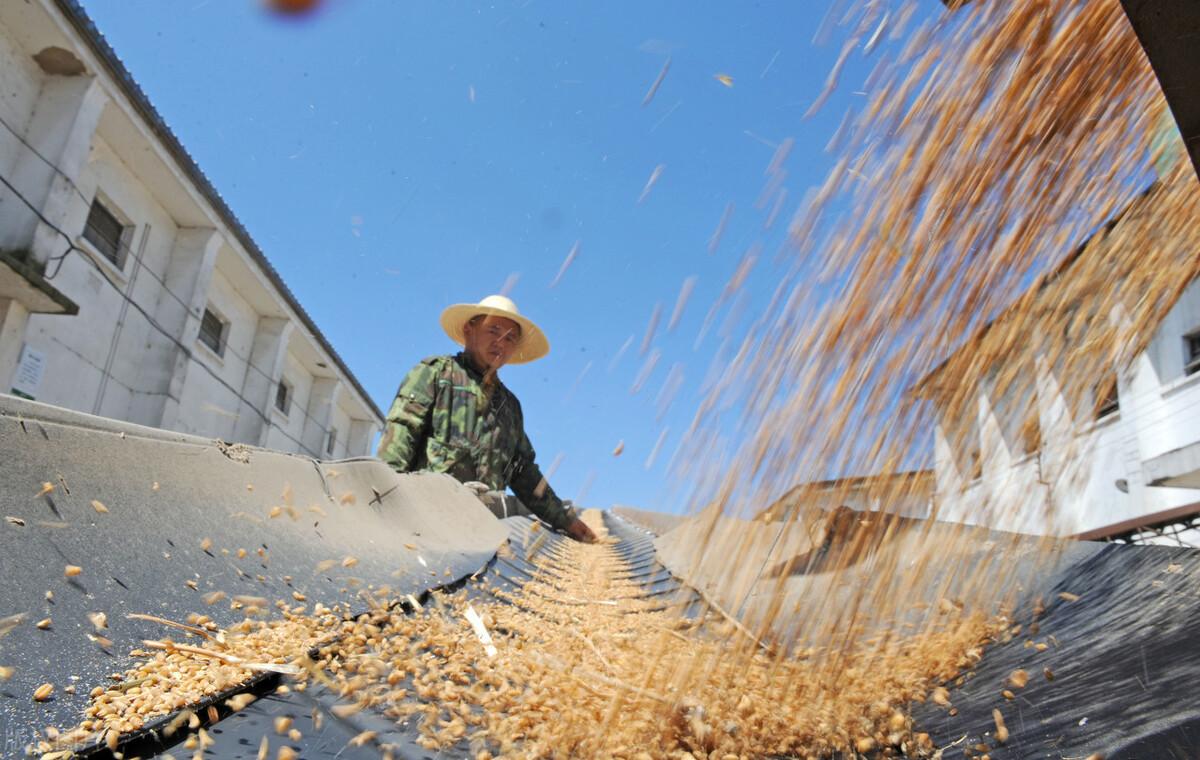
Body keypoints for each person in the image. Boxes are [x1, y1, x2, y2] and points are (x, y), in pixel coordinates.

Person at [377, 295, 597, 542]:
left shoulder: (509, 407)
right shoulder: (436, 374)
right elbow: (401, 435)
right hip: (424, 524)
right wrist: (383, 501)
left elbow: (523, 471)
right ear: (468, 330)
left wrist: (565, 519)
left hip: (482, 533)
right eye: (493, 330)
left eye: (511, 337)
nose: (501, 342)